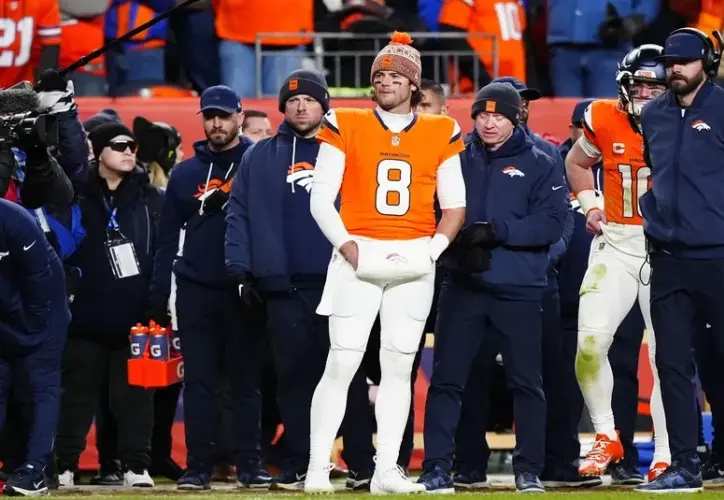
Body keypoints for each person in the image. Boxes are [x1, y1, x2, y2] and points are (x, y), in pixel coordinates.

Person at [305, 31, 467, 494]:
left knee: (399, 368)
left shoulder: (441, 129)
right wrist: (348, 246)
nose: (385, 82)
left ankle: (387, 470)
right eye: (379, 75)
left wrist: (432, 250)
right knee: (342, 362)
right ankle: (318, 467)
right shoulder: (345, 122)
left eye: (396, 75)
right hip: (358, 251)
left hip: (415, 253)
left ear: (414, 84)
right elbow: (321, 198)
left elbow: (455, 204)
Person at [226, 68, 376, 490]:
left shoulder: (348, 149)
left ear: (324, 103)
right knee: (292, 380)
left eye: (309, 99)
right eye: (292, 100)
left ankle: (362, 463)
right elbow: (238, 214)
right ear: (282, 107)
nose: (300, 105)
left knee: (349, 373)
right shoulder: (259, 155)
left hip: (343, 280)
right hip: (284, 285)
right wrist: (239, 268)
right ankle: (301, 464)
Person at [638, 27, 724, 492]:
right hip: (670, 257)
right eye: (670, 61)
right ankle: (683, 464)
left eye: (685, 62)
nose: (675, 69)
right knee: (670, 362)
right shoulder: (652, 114)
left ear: (707, 64)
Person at [420, 82, 567, 494]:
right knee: (448, 379)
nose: (488, 123)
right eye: (482, 115)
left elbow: (552, 224)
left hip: (519, 287)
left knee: (526, 381)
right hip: (463, 284)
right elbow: (433, 210)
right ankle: (435, 467)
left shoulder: (542, 159)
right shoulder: (454, 155)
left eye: (497, 115)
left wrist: (498, 231)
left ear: (515, 116)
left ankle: (528, 470)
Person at [148, 85, 269, 490]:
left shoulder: (257, 162)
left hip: (243, 287)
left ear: (239, 116)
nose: (216, 123)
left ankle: (250, 463)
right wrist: (158, 291)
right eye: (209, 115)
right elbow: (166, 241)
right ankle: (198, 465)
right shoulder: (184, 174)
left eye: (224, 115)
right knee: (198, 381)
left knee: (246, 380)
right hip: (196, 287)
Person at [564, 44, 671, 481]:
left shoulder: (686, 123)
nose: (645, 93)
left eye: (654, 84)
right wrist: (589, 204)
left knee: (670, 359)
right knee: (589, 346)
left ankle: (667, 452)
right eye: (639, 84)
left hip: (667, 249)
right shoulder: (603, 116)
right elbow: (576, 161)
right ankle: (606, 435)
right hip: (617, 242)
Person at [54, 123, 162, 489]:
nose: (130, 150)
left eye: (132, 145)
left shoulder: (151, 198)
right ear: (98, 151)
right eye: (119, 145)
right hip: (83, 318)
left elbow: (162, 254)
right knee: (75, 400)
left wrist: (156, 302)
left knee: (136, 401)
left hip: (135, 319)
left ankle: (135, 466)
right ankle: (63, 465)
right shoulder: (75, 194)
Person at [0, 198, 69, 497]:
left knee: (42, 384)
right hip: (5, 311)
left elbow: (39, 280)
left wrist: (30, 335)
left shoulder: (14, 220)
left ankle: (36, 470)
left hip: (43, 311)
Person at [134, 116, 184, 189]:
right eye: (179, 149)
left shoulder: (132, 186)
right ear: (168, 155)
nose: (182, 154)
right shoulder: (174, 192)